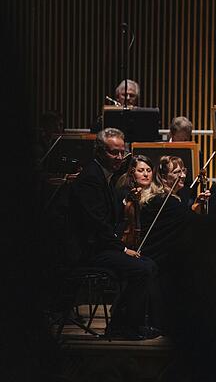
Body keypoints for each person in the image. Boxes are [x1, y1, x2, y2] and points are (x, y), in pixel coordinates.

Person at [68, 128, 160, 339]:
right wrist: (123, 248)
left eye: (122, 152)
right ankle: (122, 327)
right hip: (89, 250)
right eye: (113, 152)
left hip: (100, 246)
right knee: (141, 269)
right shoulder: (91, 178)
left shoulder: (104, 175)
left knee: (150, 265)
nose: (119, 157)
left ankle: (129, 323)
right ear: (99, 152)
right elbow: (97, 225)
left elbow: (111, 220)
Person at [114, 155, 155, 250]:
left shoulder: (156, 194)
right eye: (140, 171)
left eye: (149, 170)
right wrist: (128, 200)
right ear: (132, 173)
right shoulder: (123, 191)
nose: (146, 174)